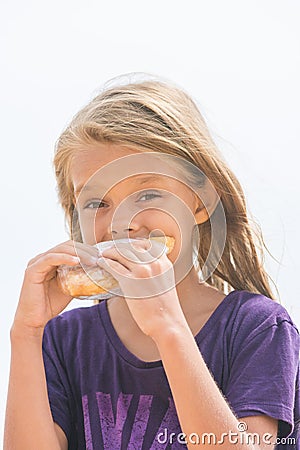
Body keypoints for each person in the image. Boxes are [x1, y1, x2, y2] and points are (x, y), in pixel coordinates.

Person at [4, 75, 299, 450]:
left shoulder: (257, 328)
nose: (121, 222)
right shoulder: (63, 340)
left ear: (200, 201)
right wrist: (26, 333)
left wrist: (168, 330)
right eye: (97, 203)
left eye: (147, 194)